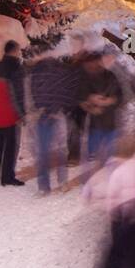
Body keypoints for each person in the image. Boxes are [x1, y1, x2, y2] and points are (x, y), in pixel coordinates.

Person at [28, 51, 83, 194]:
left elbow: (34, 94)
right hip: (59, 115)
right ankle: (63, 182)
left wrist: (42, 107)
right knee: (61, 151)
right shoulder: (63, 70)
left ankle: (43, 187)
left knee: (43, 152)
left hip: (44, 115)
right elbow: (70, 94)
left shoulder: (37, 72)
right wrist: (63, 109)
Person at [80, 51, 124, 173]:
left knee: (110, 158)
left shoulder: (110, 76)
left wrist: (110, 101)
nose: (92, 66)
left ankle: (108, 180)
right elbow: (81, 97)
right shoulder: (85, 78)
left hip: (110, 123)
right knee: (91, 157)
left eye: (95, 62)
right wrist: (91, 103)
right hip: (95, 124)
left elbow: (119, 97)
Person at [0, 41, 26, 186]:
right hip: (10, 112)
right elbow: (17, 93)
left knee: (1, 143)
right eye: (18, 50)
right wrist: (21, 113)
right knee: (11, 146)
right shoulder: (15, 67)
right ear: (15, 50)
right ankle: (7, 177)